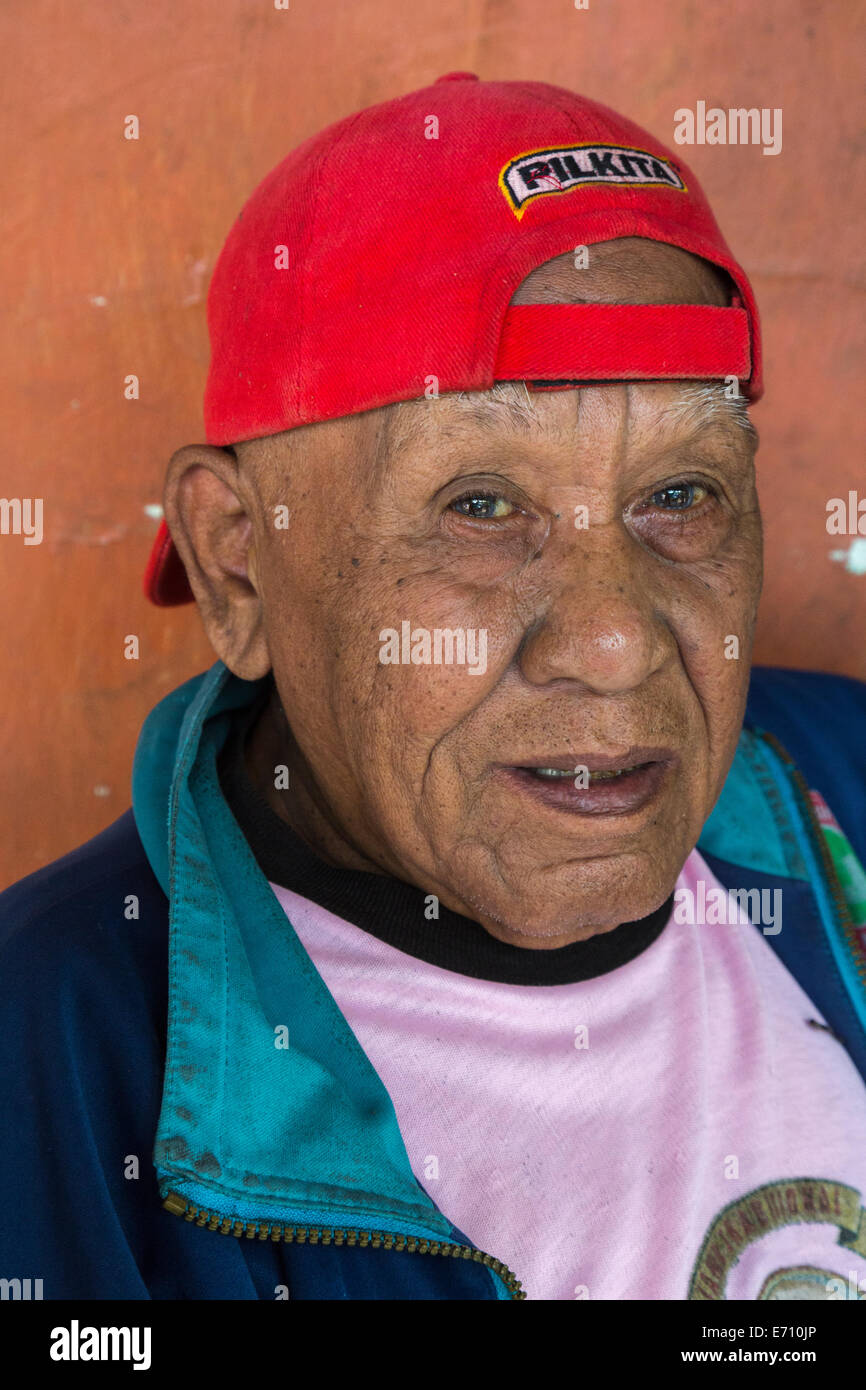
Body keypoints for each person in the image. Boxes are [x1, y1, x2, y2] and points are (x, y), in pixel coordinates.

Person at [2, 73, 866, 1303]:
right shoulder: (53, 1059)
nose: (615, 643)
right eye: (479, 508)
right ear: (239, 561)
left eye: (681, 495)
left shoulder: (844, 778)